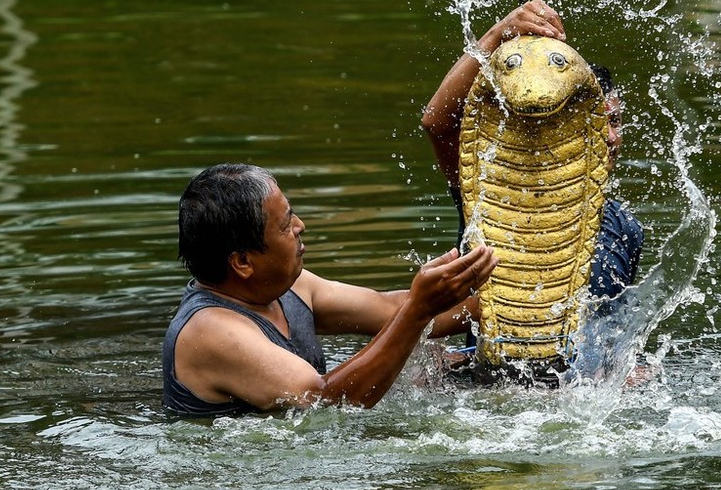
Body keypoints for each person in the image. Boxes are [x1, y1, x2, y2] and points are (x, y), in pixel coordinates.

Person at [162, 163, 498, 416]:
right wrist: (418, 310)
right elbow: (326, 404)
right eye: (284, 224)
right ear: (243, 263)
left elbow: (388, 309)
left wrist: (510, 301)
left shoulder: (291, 287)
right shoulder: (211, 331)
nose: (300, 226)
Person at [421, 0, 645, 356]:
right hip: (491, 389)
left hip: (581, 396)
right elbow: (438, 122)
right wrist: (497, 35)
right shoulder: (492, 193)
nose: (610, 136)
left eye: (614, 121)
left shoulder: (626, 228)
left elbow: (613, 333)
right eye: (598, 122)